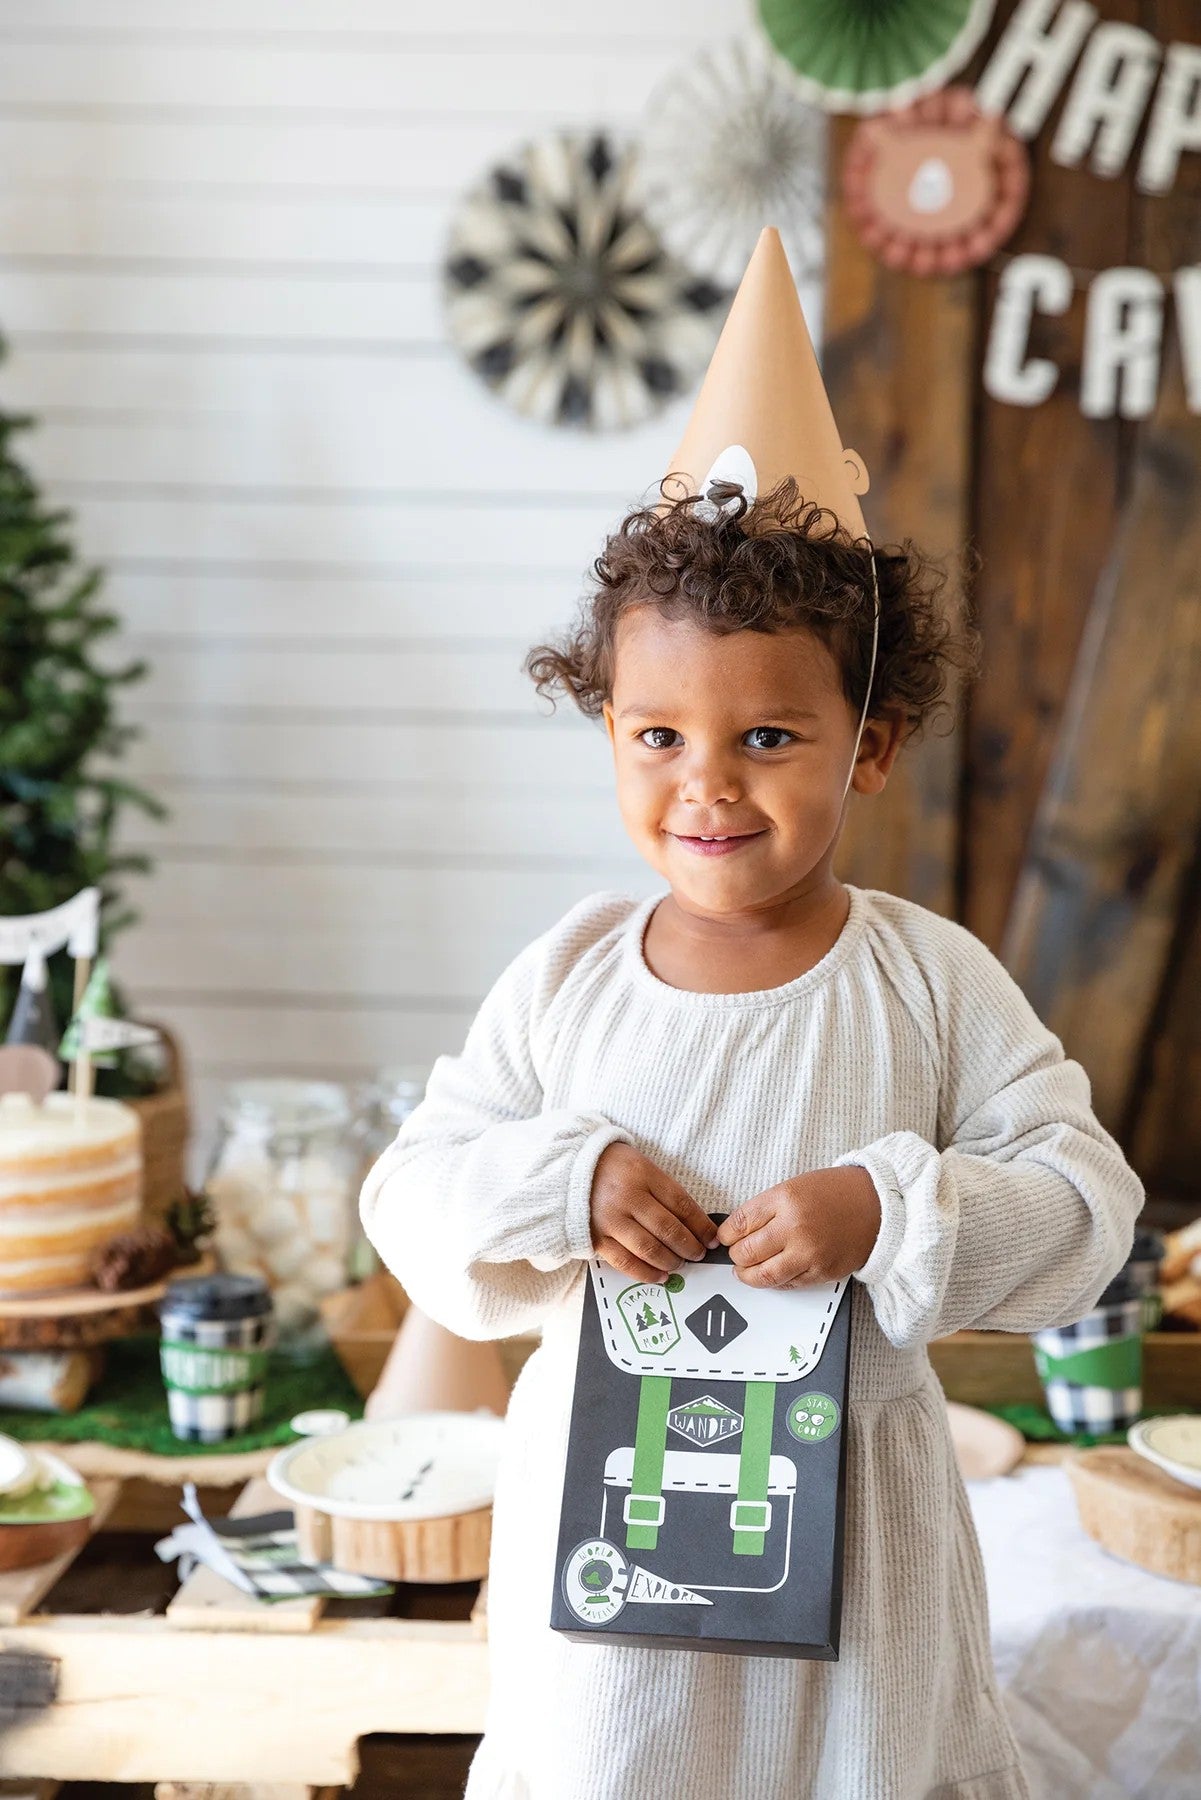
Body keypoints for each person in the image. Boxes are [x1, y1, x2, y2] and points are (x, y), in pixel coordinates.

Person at [359, 231, 1144, 1800]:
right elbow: (413, 1189)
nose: (705, 784)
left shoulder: (923, 979)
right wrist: (559, 1184)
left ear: (868, 743)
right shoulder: (571, 975)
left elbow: (1085, 1208)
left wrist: (885, 1207)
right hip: (615, 1580)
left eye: (768, 734)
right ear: (606, 728)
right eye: (655, 733)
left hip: (854, 1560)